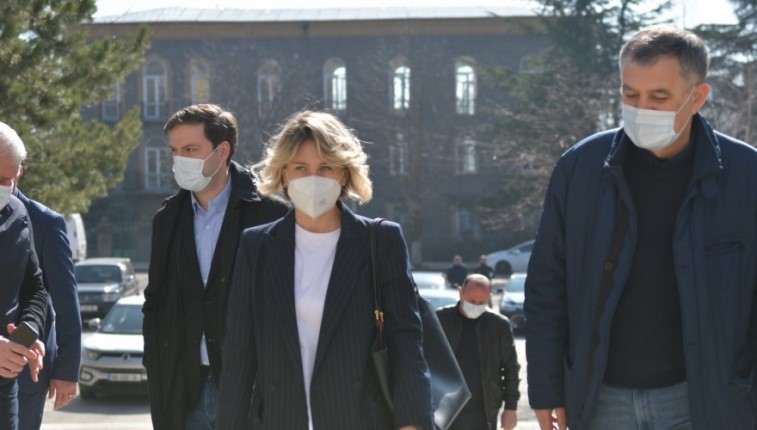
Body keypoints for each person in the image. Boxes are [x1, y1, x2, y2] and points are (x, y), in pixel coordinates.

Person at [525, 25, 757, 430]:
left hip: (705, 402)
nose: (641, 108)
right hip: (599, 401)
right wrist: (546, 388)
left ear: (697, 97)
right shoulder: (580, 168)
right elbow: (547, 285)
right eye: (630, 94)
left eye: (659, 97)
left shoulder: (746, 176)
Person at [217, 110, 433, 430]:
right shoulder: (257, 246)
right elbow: (239, 352)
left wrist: (413, 423)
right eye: (300, 168)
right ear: (284, 174)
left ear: (344, 175)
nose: (313, 179)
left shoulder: (380, 240)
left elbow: (406, 341)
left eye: (326, 167)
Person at [142, 104, 286, 430]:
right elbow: (155, 302)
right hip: (184, 391)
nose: (180, 159)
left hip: (253, 389)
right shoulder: (168, 219)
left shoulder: (271, 215)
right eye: (175, 151)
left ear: (222, 151)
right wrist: (156, 364)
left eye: (191, 149)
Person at [11, 155, 81, 428]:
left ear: (19, 169)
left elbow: (65, 298)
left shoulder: (45, 222)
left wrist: (67, 369)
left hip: (25, 368)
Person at [0, 122, 49, 430]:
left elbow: (35, 288)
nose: (5, 187)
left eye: (10, 178)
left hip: (4, 388)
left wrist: (28, 332)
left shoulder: (18, 213)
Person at [437, 274, 520, 430]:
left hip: (484, 413)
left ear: (489, 298)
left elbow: (511, 368)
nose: (476, 305)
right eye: (471, 300)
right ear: (460, 292)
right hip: (443, 411)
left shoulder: (499, 325)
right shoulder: (439, 320)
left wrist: (511, 408)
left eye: (481, 302)